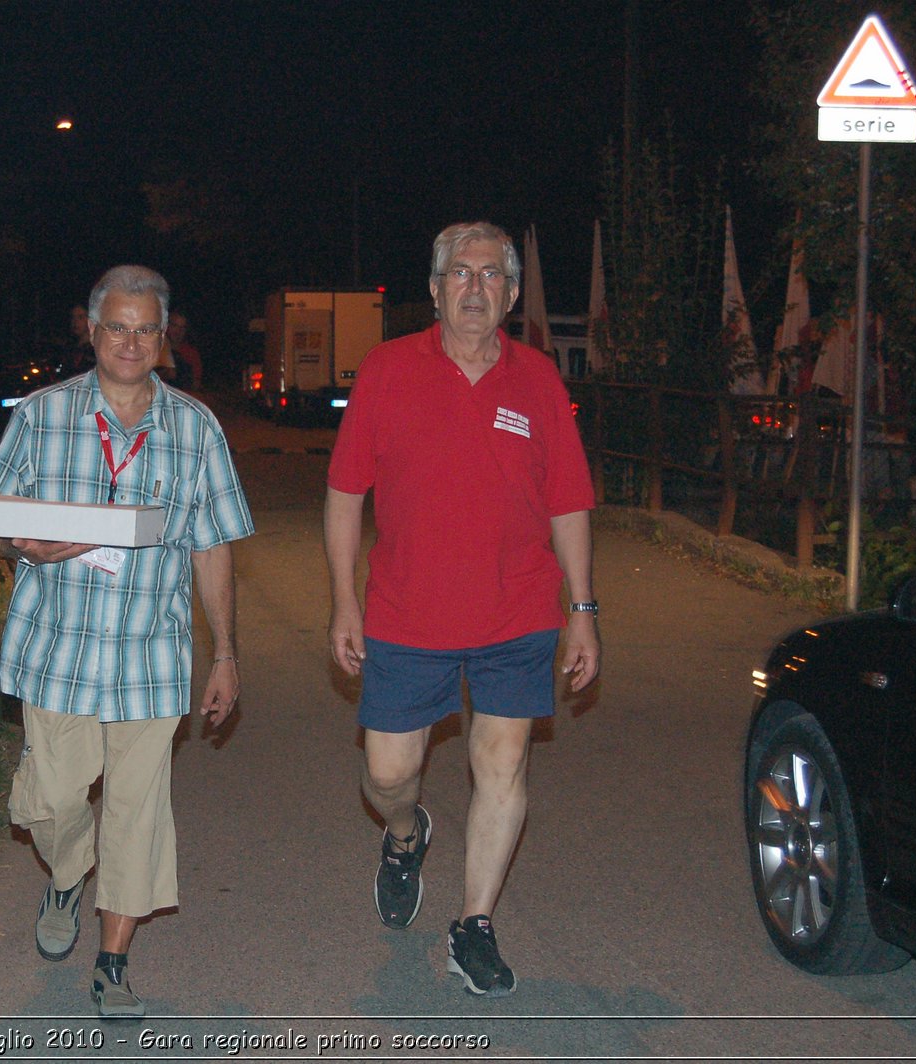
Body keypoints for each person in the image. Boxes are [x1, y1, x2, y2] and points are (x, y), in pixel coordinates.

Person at [324, 221, 599, 998]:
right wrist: (344, 600)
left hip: (517, 613)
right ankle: (407, 836)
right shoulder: (385, 370)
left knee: (503, 763)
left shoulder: (539, 380)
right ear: (437, 290)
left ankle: (473, 924)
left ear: (511, 295)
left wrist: (581, 608)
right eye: (460, 273)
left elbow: (569, 501)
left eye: (491, 275)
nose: (475, 287)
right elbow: (346, 495)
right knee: (389, 771)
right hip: (407, 615)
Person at [0, 264, 254, 1019]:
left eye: (145, 330)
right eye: (116, 327)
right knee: (54, 798)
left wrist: (225, 653)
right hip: (57, 647)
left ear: (163, 341)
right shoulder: (41, 416)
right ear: (91, 331)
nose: (130, 342)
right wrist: (22, 545)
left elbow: (214, 546)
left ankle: (113, 961)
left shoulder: (196, 428)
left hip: (149, 654)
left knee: (139, 809)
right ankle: (68, 873)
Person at [164, 311, 204, 391]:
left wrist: (182, 375)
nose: (178, 332)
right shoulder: (155, 349)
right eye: (174, 326)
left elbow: (196, 384)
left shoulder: (191, 354)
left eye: (182, 328)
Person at [61, 304, 95, 373]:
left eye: (80, 317)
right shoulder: (69, 348)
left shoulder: (97, 349)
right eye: (73, 318)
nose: (75, 322)